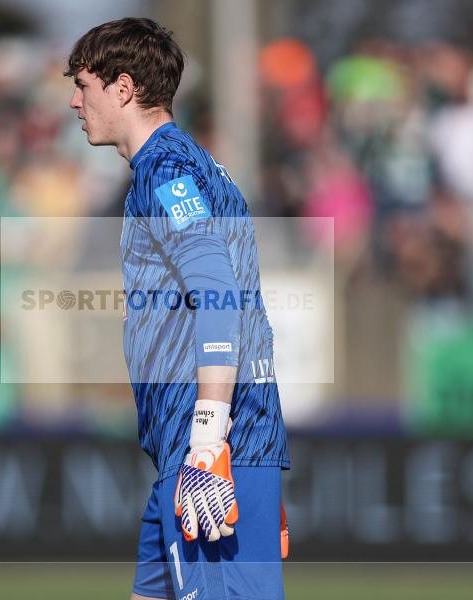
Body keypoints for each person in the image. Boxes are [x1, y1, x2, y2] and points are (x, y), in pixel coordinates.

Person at [65, 18, 289, 600]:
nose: (73, 101)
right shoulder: (185, 166)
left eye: (83, 86)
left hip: (207, 455)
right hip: (191, 453)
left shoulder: (166, 169)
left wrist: (212, 441)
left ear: (122, 88)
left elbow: (219, 292)